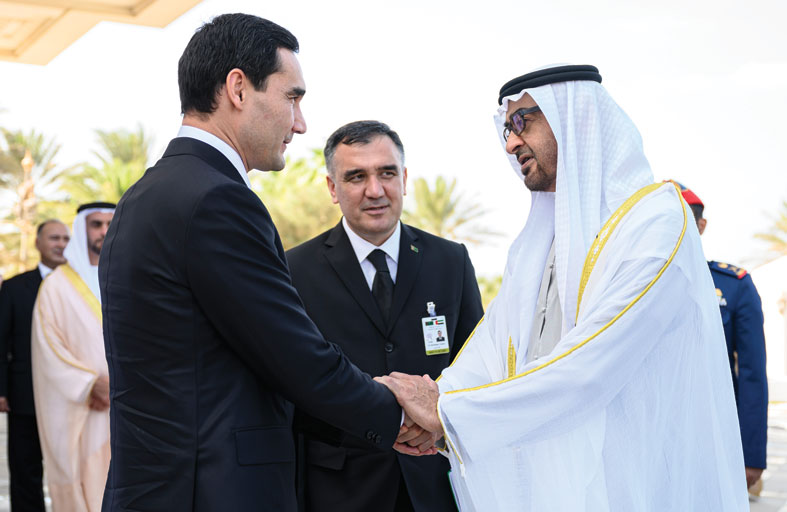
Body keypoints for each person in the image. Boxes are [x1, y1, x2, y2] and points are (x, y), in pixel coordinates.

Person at [377, 65, 748, 510]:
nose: (511, 143)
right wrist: (439, 409)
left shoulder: (655, 223)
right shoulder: (538, 242)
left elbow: (591, 363)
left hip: (634, 485)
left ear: (576, 119)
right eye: (507, 129)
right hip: (551, 485)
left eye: (523, 121)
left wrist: (447, 413)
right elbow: (492, 352)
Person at [98, 14, 403, 512]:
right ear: (238, 88)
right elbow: (293, 358)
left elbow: (236, 371)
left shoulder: (146, 195)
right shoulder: (218, 200)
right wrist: (399, 412)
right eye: (292, 98)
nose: (300, 123)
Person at [287, 120, 484, 512]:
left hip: (437, 486)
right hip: (340, 492)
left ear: (404, 179)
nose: (375, 190)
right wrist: (385, 424)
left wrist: (436, 426)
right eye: (356, 176)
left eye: (387, 173)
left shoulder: (451, 261)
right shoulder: (294, 270)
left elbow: (478, 369)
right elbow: (293, 388)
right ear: (332, 188)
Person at [677, 182, 768, 491]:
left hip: (710, 438)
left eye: (681, 220)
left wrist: (751, 453)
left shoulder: (734, 285)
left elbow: (752, 374)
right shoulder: (631, 283)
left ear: (701, 226)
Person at [31, 203, 114, 512]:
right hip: (85, 405)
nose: (104, 231)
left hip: (127, 401)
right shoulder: (55, 287)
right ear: (81, 229)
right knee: (85, 483)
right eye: (96, 224)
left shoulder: (131, 277)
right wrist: (89, 385)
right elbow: (48, 347)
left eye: (110, 223)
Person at [0, 219, 69, 512]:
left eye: (66, 238)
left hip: (71, 397)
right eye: (54, 238)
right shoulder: (14, 287)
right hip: (24, 395)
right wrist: (2, 390)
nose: (61, 244)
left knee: (70, 470)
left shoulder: (82, 286)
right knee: (25, 469)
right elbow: (1, 341)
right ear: (38, 242)